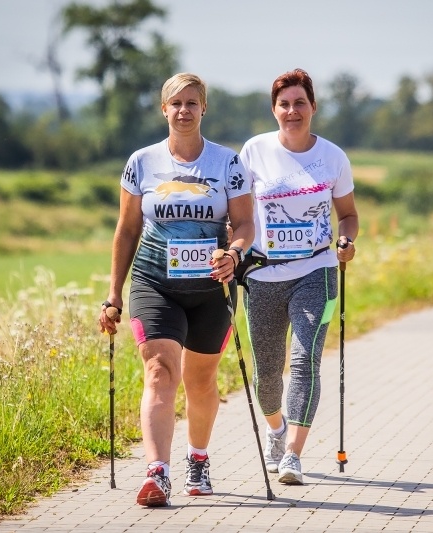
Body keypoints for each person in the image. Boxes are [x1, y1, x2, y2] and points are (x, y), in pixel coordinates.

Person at [98, 73, 254, 507]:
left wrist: (235, 254)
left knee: (200, 381)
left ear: (204, 109)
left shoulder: (227, 163)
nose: (184, 110)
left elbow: (244, 224)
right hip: (154, 284)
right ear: (163, 110)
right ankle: (157, 473)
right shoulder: (142, 162)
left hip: (211, 287)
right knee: (160, 371)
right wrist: (114, 292)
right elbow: (127, 228)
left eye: (192, 103)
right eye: (176, 103)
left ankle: (198, 458)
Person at [239, 68, 359, 485]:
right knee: (267, 371)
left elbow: (348, 215)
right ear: (274, 110)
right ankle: (275, 430)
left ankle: (292, 453)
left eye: (300, 103)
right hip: (263, 274)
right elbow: (237, 215)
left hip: (316, 270)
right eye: (285, 104)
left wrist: (346, 242)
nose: (292, 111)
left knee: (304, 360)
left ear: (313, 107)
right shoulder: (253, 151)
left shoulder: (332, 157)